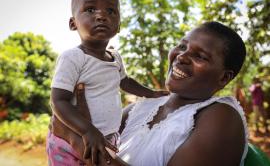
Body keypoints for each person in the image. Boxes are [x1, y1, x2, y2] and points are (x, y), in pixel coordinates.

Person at [52, 21, 249, 166]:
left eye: (200, 56)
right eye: (182, 46)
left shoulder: (221, 117)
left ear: (224, 78)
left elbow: (80, 142)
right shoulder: (140, 108)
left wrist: (75, 140)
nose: (182, 56)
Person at [46, 0, 168, 166]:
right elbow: (58, 101)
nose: (101, 15)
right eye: (90, 9)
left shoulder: (115, 57)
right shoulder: (73, 57)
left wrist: (151, 93)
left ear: (118, 25)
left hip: (106, 137)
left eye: (111, 11)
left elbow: (125, 82)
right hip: (74, 139)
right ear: (73, 23)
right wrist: (87, 131)